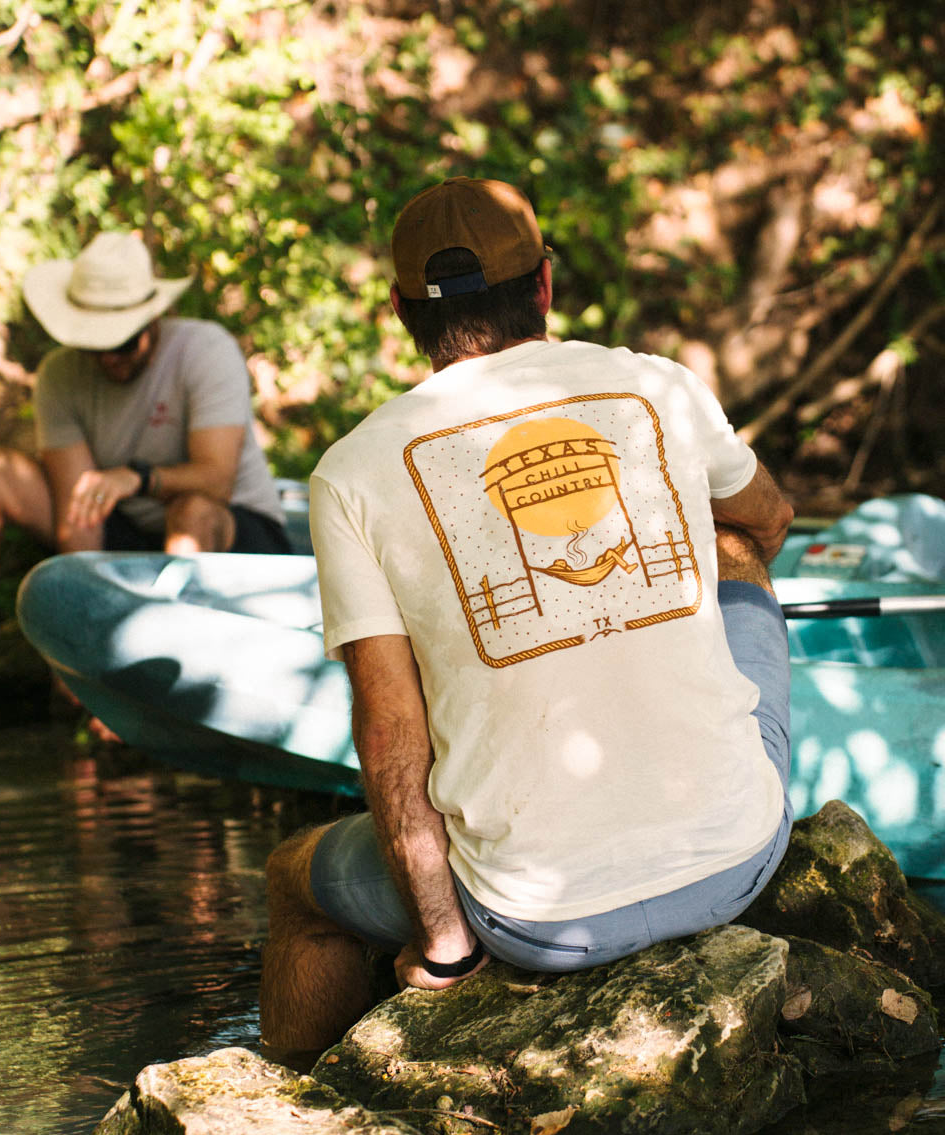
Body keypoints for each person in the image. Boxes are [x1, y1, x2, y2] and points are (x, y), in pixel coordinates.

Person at [259, 177, 795, 1060]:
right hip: (737, 859)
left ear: (402, 312)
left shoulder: (349, 472)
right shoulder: (655, 385)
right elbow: (768, 519)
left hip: (534, 921)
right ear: (543, 284)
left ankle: (294, 1106)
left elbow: (390, 729)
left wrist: (445, 942)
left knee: (292, 880)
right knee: (733, 545)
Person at [0, 230, 291, 737]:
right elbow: (80, 514)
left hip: (232, 539)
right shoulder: (60, 375)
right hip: (130, 541)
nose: (109, 357)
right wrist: (78, 653)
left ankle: (164, 698)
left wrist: (138, 478)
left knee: (190, 512)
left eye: (121, 341)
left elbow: (216, 480)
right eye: (95, 344)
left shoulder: (206, 350)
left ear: (153, 319)